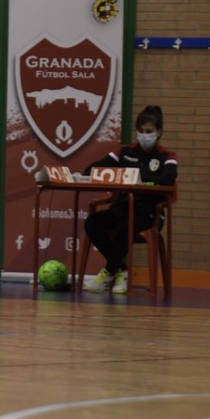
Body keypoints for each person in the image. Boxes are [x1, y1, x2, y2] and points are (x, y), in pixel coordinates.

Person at [82, 105, 178, 294]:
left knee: (127, 225)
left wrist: (139, 177)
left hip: (149, 212)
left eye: (149, 131)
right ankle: (121, 271)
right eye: (140, 131)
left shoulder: (167, 156)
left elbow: (167, 180)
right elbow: (91, 170)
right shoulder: (124, 152)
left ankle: (107, 272)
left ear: (159, 132)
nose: (144, 135)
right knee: (92, 223)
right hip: (121, 208)